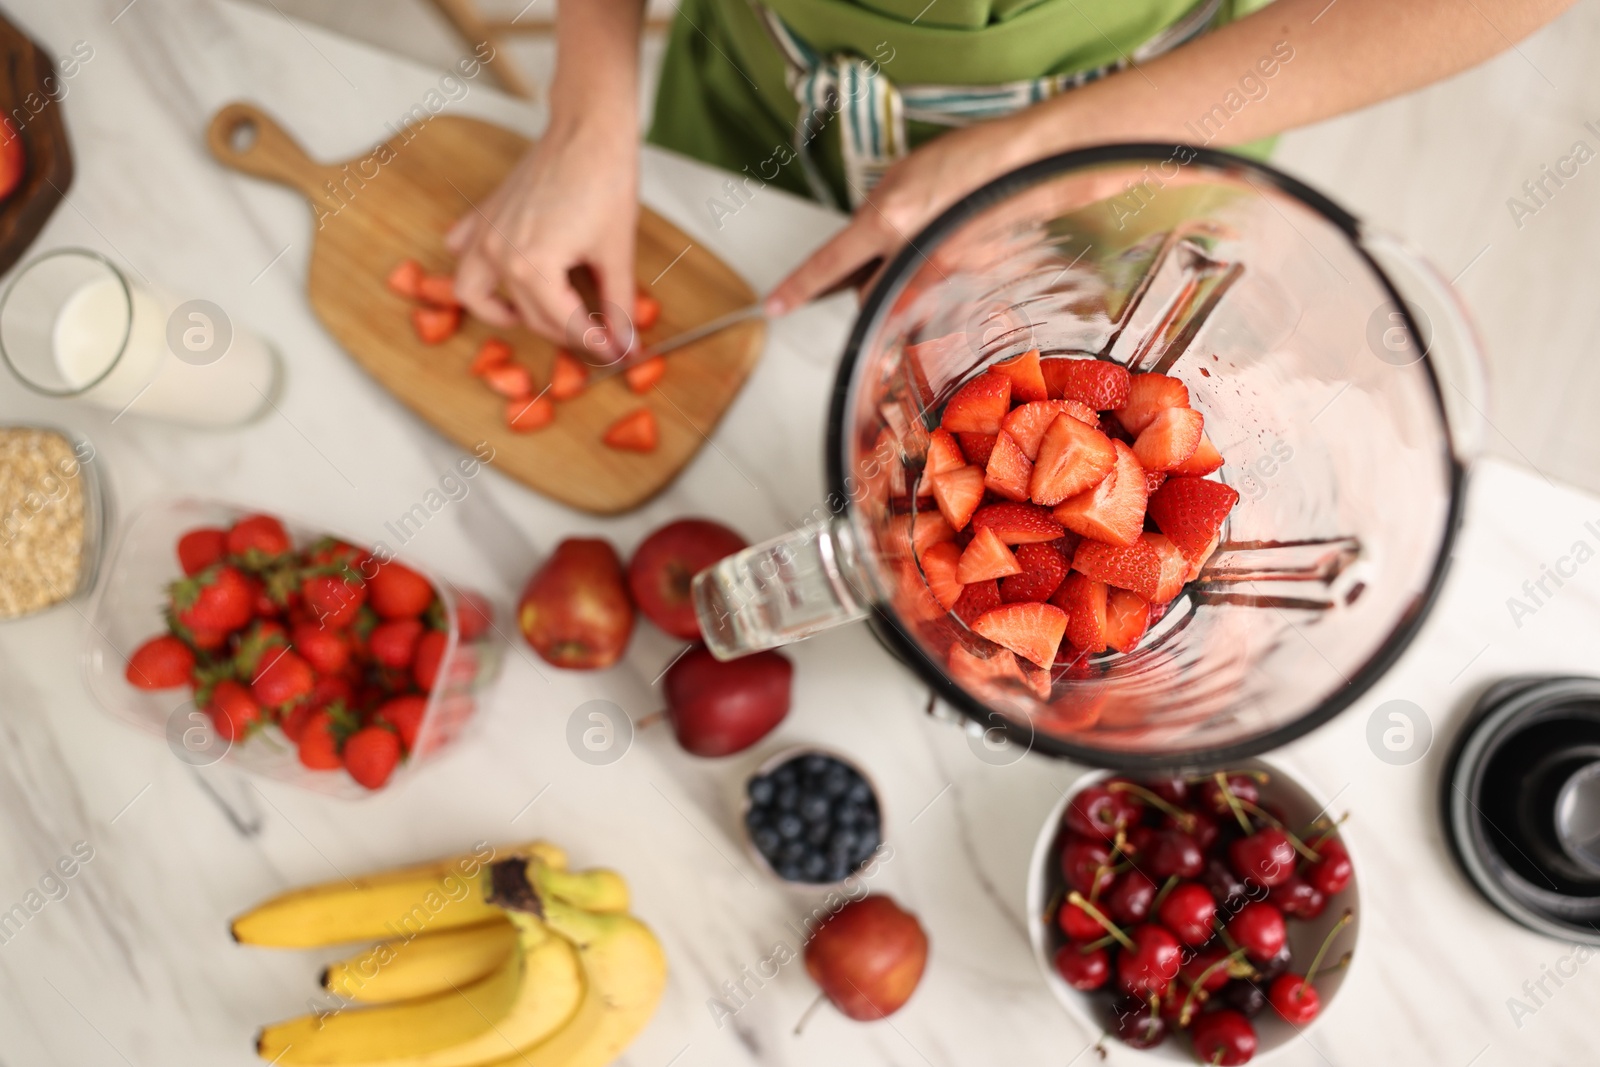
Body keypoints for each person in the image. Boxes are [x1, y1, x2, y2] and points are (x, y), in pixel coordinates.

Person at [447, 0, 1572, 353]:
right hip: (754, 98)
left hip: (1133, 145)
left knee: (1089, 365)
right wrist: (589, 111)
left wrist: (1037, 152)